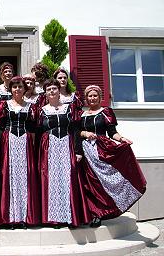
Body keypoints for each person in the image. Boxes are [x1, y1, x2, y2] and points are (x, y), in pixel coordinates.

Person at [79, 85, 147, 227]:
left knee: (107, 181)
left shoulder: (106, 112)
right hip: (87, 153)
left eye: (95, 95)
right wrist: (84, 133)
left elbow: (112, 132)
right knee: (92, 183)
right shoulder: (81, 115)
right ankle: (95, 213)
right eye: (90, 96)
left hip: (103, 150)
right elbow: (76, 132)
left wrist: (122, 139)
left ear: (99, 97)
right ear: (86, 98)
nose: (92, 98)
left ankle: (105, 211)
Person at [37, 79, 91, 228]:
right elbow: (38, 132)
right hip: (49, 147)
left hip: (67, 145)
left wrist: (78, 151)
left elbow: (75, 130)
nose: (52, 91)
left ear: (58, 90)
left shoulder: (69, 108)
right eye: (49, 89)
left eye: (54, 88)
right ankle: (55, 218)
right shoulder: (41, 111)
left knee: (69, 178)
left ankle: (70, 215)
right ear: (45, 93)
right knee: (53, 180)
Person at [0, 76, 40, 228]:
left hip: (25, 142)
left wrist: (32, 147)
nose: (17, 89)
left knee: (24, 177)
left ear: (24, 88)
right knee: (9, 176)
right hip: (9, 142)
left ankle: (24, 217)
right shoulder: (4, 105)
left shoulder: (31, 106)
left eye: (20, 86)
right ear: (11, 89)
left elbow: (33, 129)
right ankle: (9, 217)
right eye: (14, 87)